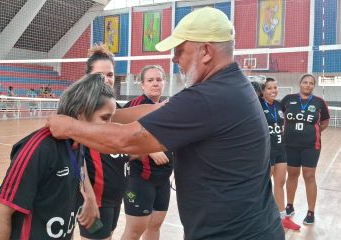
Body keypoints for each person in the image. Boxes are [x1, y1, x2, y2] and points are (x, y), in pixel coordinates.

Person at [46, 8, 284, 240]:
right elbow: (155, 110)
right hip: (250, 225)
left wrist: (66, 125)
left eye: (180, 51)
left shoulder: (207, 97)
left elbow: (124, 140)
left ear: (207, 52)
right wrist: (106, 113)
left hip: (235, 233)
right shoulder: (229, 85)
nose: (174, 58)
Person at [0, 74, 114, 240]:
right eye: (105, 118)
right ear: (80, 114)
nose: (110, 126)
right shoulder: (39, 148)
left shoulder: (80, 143)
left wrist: (89, 197)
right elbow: (2, 210)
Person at [79, 43, 134, 240]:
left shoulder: (115, 109)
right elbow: (77, 160)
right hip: (95, 199)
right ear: (87, 76)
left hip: (114, 197)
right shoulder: (80, 112)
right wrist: (89, 197)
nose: (106, 79)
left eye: (110, 74)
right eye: (100, 74)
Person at [121, 65, 173, 240]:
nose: (155, 83)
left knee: (155, 226)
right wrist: (149, 150)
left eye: (159, 80)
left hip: (163, 179)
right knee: (135, 230)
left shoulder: (167, 107)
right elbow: (121, 135)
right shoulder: (135, 106)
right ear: (142, 85)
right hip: (140, 178)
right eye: (150, 80)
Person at [281, 74, 330, 225]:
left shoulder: (319, 102)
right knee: (292, 175)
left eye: (311, 83)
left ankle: (311, 212)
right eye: (305, 82)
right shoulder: (288, 99)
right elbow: (279, 115)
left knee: (309, 177)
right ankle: (289, 205)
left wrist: (311, 133)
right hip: (289, 145)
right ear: (299, 84)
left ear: (314, 86)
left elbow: (325, 122)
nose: (307, 85)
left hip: (311, 146)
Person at [258, 77, 301, 230]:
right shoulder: (257, 105)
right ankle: (255, 216)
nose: (273, 91)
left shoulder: (278, 105)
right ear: (262, 91)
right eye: (269, 88)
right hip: (265, 151)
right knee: (261, 186)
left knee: (280, 183)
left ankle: (282, 217)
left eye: (275, 88)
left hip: (280, 149)